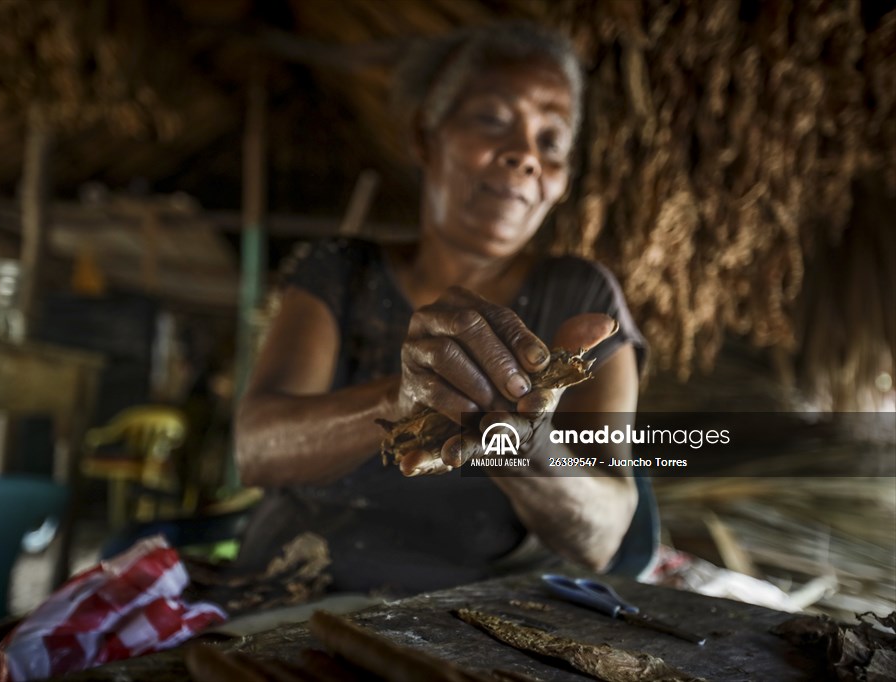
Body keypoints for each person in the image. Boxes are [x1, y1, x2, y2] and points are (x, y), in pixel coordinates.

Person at [233, 22, 654, 595]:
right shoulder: (338, 270)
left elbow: (604, 535)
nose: (524, 155)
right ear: (426, 138)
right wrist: (398, 399)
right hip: (299, 586)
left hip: (475, 618)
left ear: (560, 180)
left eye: (550, 142)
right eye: (492, 120)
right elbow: (255, 450)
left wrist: (525, 448)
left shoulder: (581, 295)